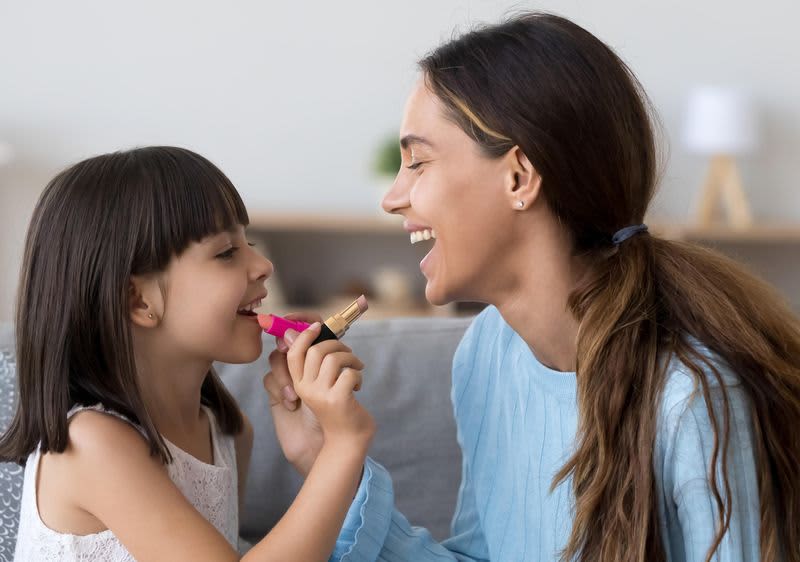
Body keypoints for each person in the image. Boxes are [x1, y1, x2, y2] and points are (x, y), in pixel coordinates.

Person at [264, 13, 800, 562]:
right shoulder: (487, 352)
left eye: (418, 162)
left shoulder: (694, 401)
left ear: (519, 177)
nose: (393, 197)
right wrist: (325, 458)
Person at [0, 146, 375, 562]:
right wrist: (342, 446)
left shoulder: (229, 433)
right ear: (138, 300)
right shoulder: (91, 443)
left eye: (247, 242)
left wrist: (317, 442)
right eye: (226, 252)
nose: (263, 264)